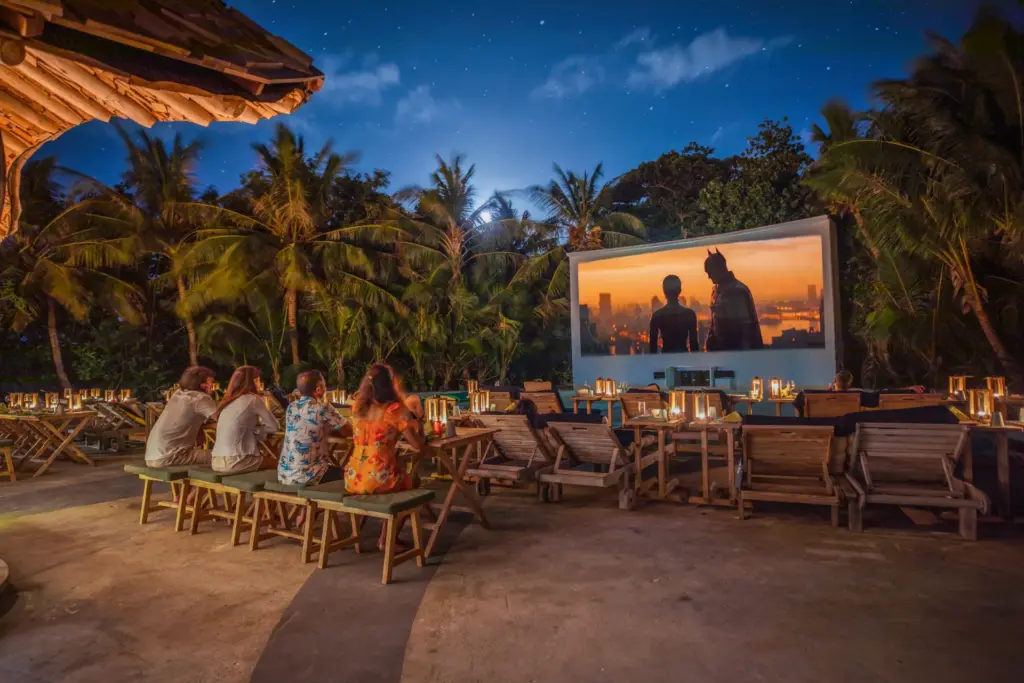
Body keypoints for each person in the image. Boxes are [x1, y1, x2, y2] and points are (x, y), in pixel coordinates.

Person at [347, 363, 426, 551]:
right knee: (412, 482)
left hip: (352, 478)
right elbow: (418, 446)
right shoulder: (395, 410)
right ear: (391, 385)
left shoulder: (358, 408)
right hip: (378, 479)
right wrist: (420, 426)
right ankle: (387, 539)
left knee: (395, 476)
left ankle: (377, 535)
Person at [278, 370, 351, 486]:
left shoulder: (291, 407)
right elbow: (348, 431)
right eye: (325, 386)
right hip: (309, 476)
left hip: (284, 475)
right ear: (318, 389)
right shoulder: (322, 408)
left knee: (333, 469)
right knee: (350, 475)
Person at [210, 366, 280, 474]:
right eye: (258, 380)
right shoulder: (253, 399)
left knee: (262, 458)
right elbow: (275, 427)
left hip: (216, 461)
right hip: (235, 461)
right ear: (254, 381)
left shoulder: (227, 401)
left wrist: (252, 430)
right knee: (278, 463)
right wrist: (257, 430)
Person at [145, 366, 217, 467]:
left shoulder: (178, 394)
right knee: (222, 458)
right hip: (171, 458)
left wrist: (203, 426)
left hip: (151, 457)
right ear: (202, 384)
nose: (212, 387)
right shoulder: (200, 398)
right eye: (210, 383)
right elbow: (224, 421)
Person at [703, 249, 764, 351]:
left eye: (710, 272)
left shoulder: (737, 290)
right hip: (722, 352)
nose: (709, 277)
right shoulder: (716, 290)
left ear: (719, 269)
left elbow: (746, 328)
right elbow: (714, 323)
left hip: (736, 352)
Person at [649, 275, 699, 353]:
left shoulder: (657, 316)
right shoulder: (689, 314)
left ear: (664, 291)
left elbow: (652, 349)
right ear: (679, 291)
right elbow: (694, 346)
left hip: (666, 360)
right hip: (684, 358)